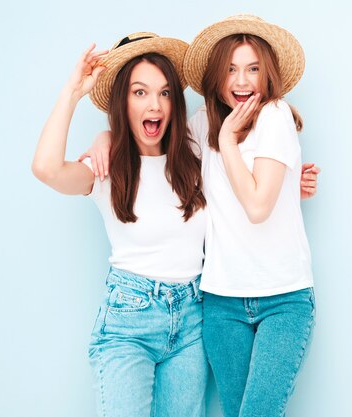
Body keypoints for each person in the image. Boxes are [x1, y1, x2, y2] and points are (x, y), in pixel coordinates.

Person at [31, 33, 209, 417]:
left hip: (194, 319)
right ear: (123, 102)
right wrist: (72, 92)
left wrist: (286, 179)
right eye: (140, 92)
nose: (155, 104)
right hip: (130, 320)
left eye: (164, 93)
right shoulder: (107, 169)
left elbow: (244, 117)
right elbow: (45, 168)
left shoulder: (196, 150)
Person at [183, 14, 315, 417]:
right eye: (231, 69)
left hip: (283, 297)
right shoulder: (200, 125)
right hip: (221, 301)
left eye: (253, 69)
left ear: (267, 75)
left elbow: (257, 207)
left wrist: (226, 142)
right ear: (216, 78)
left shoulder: (275, 116)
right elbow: (152, 152)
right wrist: (104, 138)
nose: (242, 81)